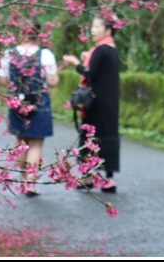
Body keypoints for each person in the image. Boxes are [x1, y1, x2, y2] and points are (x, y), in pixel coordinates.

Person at [0, 20, 59, 196]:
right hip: (39, 103)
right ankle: (31, 184)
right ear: (37, 34)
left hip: (17, 102)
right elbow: (52, 81)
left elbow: (3, 80)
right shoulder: (45, 54)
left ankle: (23, 178)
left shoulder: (9, 53)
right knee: (36, 142)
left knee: (21, 141)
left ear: (20, 33)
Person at [62, 14, 121, 193]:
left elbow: (90, 73)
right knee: (108, 137)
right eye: (92, 26)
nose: (92, 30)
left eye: (97, 27)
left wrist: (75, 63)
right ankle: (109, 178)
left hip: (96, 103)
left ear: (107, 30)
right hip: (110, 103)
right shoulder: (111, 49)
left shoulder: (101, 49)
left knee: (89, 136)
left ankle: (88, 176)